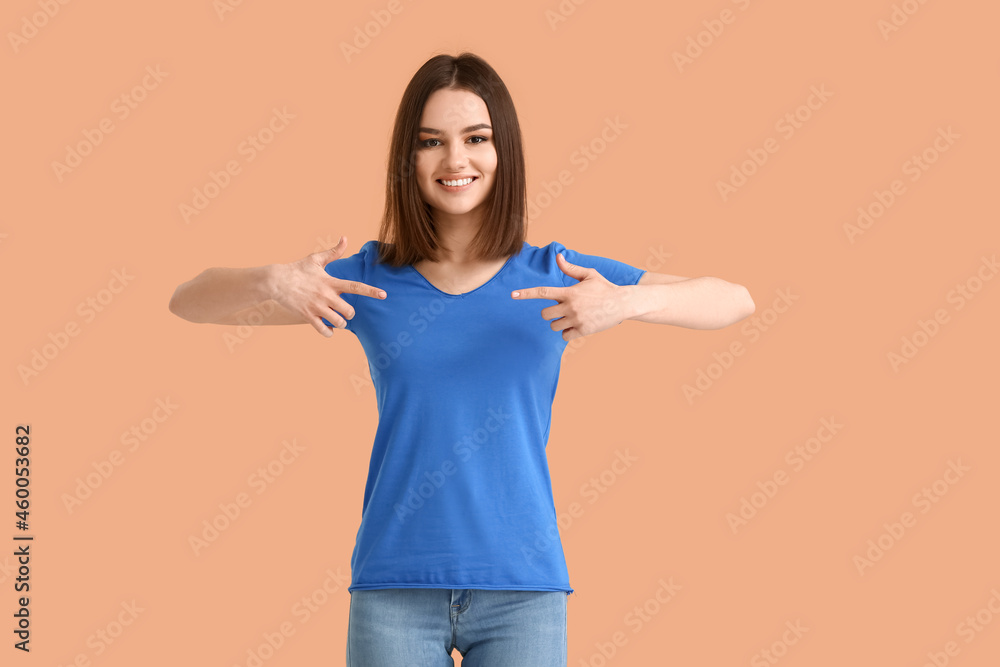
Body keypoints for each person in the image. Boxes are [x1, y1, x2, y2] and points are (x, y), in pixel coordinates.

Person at [169, 51, 754, 667]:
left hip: (522, 588)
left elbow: (734, 300)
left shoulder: (557, 275)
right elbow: (188, 302)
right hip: (394, 584)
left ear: (504, 153)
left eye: (476, 138)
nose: (455, 160)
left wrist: (628, 302)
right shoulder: (369, 280)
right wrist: (272, 280)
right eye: (431, 142)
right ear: (408, 159)